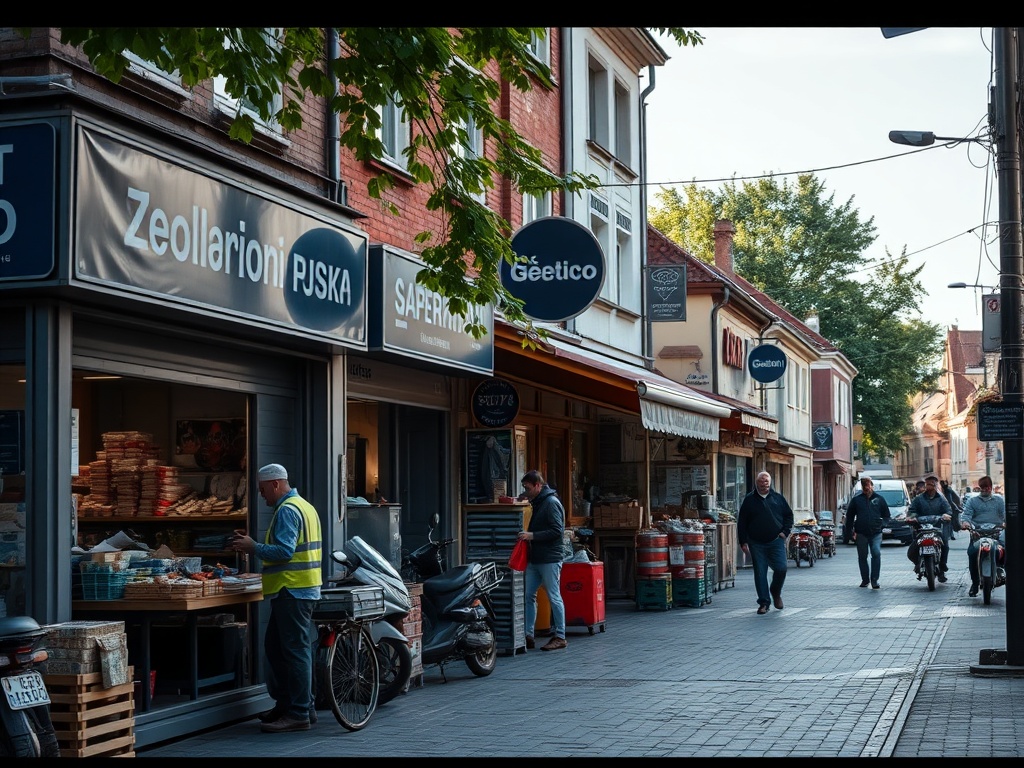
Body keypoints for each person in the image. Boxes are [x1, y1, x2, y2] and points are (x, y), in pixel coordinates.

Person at [230, 463, 322, 733]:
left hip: (292, 590)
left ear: (275, 484)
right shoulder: (305, 507)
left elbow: (283, 551)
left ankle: (298, 712)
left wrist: (253, 547)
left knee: (293, 651)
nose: (262, 497)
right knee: (278, 648)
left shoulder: (287, 510)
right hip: (299, 589)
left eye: (262, 490)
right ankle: (295, 705)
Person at [518, 469, 567, 651]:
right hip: (536, 558)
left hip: (549, 558)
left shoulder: (551, 503)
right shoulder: (538, 502)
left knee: (554, 596)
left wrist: (532, 536)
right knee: (529, 595)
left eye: (528, 488)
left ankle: (560, 636)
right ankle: (528, 635)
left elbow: (557, 531)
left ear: (538, 486)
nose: (526, 491)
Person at [737, 471, 793, 615]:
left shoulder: (778, 498)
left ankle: (775, 592)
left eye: (766, 481)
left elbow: (788, 516)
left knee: (781, 568)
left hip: (776, 541)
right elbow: (742, 521)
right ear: (756, 483)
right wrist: (743, 541)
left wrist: (785, 532)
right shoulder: (749, 500)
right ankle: (763, 603)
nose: (763, 484)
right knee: (760, 572)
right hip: (756, 542)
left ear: (770, 482)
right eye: (761, 482)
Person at [960, 475, 1006, 597]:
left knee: (1004, 551)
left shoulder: (999, 500)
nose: (985, 489)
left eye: (987, 487)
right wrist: (965, 523)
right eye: (982, 487)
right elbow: (966, 515)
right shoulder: (972, 501)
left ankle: (1003, 572)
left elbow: (1004, 513)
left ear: (991, 487)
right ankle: (975, 584)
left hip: (996, 533)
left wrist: (1006, 523)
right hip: (977, 533)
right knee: (972, 553)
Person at [844, 476, 891, 589]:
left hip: (876, 532)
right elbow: (850, 517)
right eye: (864, 485)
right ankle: (865, 580)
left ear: (872, 485)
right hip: (861, 532)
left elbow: (886, 515)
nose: (866, 488)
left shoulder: (879, 499)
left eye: (868, 485)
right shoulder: (857, 500)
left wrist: (883, 524)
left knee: (876, 553)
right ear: (861, 486)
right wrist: (849, 532)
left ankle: (874, 580)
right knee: (862, 556)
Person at [906, 475, 953, 581]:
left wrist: (946, 515)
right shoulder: (919, 499)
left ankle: (942, 566)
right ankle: (918, 562)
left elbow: (948, 510)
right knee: (913, 548)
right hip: (922, 528)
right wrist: (912, 518)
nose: (929, 485)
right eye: (928, 483)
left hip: (937, 528)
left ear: (936, 485)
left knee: (944, 544)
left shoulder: (941, 498)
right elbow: (912, 510)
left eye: (932, 483)